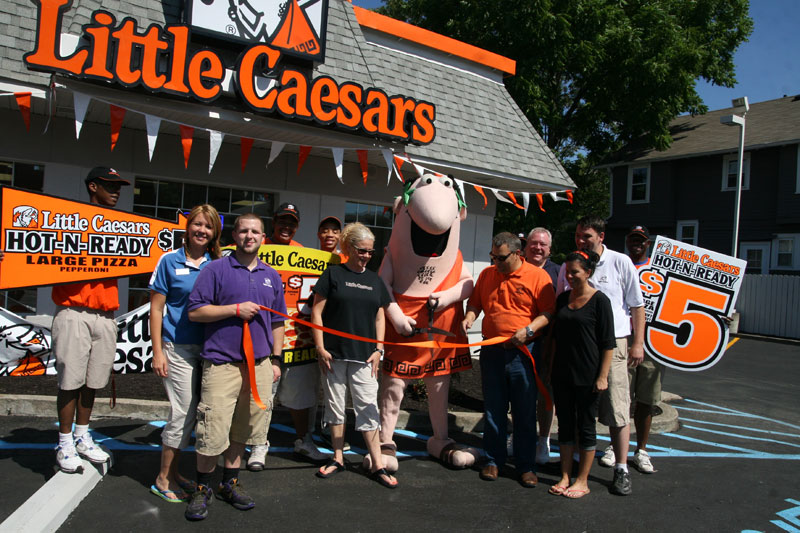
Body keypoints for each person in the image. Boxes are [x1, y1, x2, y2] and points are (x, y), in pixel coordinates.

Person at [183, 213, 285, 521]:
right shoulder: (216, 269)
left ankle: (230, 483)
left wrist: (276, 360)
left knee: (244, 427)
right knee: (212, 429)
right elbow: (195, 312)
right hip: (222, 363)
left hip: (260, 365)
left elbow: (278, 321)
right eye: (243, 231)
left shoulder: (272, 275)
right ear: (234, 236)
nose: (249, 236)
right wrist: (234, 310)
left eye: (255, 231)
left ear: (263, 237)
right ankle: (203, 488)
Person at [556, 216, 645, 496]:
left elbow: (637, 305)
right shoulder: (568, 266)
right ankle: (574, 469)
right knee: (578, 414)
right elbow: (560, 305)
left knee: (617, 408)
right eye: (579, 236)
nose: (582, 241)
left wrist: (637, 343)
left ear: (602, 237)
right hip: (576, 347)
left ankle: (621, 468)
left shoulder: (620, 262)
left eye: (588, 236)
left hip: (613, 345)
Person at [52, 166, 130, 473]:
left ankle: (83, 437)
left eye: (119, 186)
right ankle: (64, 442)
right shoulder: (67, 219)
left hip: (106, 315)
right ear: (92, 186)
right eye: (110, 185)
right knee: (70, 381)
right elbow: (30, 247)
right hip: (74, 311)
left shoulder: (122, 226)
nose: (116, 191)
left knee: (93, 381)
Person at [461, 232, 555, 488]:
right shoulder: (488, 274)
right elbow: (475, 304)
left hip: (523, 353)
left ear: (517, 254)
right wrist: (469, 318)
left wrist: (530, 331)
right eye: (493, 257)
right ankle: (493, 460)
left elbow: (548, 312)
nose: (496, 262)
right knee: (493, 408)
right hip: (492, 351)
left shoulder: (538, 277)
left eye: (501, 258)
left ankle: (526, 465)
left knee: (525, 411)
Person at [310, 222, 398, 488]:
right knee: (335, 408)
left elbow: (380, 316)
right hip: (334, 355)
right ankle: (337, 457)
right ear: (348, 248)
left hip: (364, 357)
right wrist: (320, 346)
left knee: (367, 408)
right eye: (362, 251)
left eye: (370, 252)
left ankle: (377, 464)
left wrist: (379, 349)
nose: (367, 257)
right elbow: (317, 312)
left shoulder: (374, 280)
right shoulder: (333, 274)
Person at [148, 204, 221, 502]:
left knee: (196, 414)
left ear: (214, 232)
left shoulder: (218, 263)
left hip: (210, 349)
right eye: (197, 224)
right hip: (176, 348)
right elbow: (156, 308)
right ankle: (162, 479)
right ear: (187, 227)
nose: (201, 230)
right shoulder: (168, 261)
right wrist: (157, 352)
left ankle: (176, 472)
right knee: (182, 411)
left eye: (208, 226)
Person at [547, 250, 615, 499]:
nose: (570, 276)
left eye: (575, 272)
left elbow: (608, 343)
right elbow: (554, 339)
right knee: (564, 425)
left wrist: (602, 376)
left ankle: (582, 480)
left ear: (588, 272)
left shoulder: (600, 301)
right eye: (567, 271)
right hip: (562, 374)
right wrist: (550, 368)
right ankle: (565, 476)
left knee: (585, 427)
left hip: (588, 376)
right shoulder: (563, 299)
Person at [625, 225, 661, 474]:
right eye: (633, 240)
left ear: (648, 244)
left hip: (655, 343)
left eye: (642, 241)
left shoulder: (660, 271)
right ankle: (617, 446)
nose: (637, 244)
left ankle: (641, 450)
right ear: (627, 242)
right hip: (624, 339)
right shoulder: (621, 266)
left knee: (646, 399)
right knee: (620, 398)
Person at [524, 227, 560, 464]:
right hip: (517, 343)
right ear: (526, 245)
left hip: (547, 344)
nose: (538, 248)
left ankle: (543, 439)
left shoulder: (559, 273)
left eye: (542, 244)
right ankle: (520, 435)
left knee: (545, 395)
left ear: (549, 248)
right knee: (519, 393)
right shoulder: (514, 267)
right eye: (534, 243)